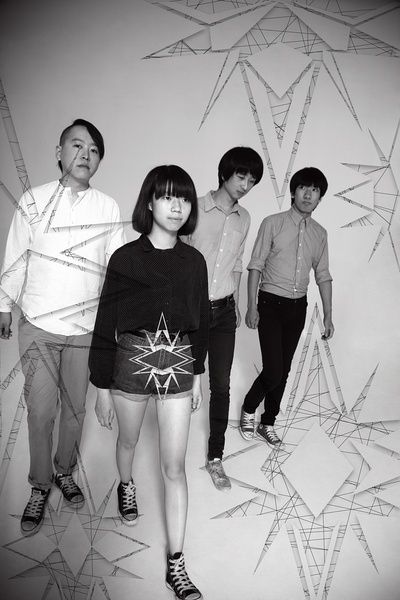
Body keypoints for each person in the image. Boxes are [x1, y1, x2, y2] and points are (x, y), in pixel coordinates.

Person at [0, 119, 125, 536]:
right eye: (77, 145)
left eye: (94, 150)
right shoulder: (33, 200)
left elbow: (116, 269)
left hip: (84, 329)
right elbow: (16, 256)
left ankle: (65, 471)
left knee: (74, 410)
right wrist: (3, 305)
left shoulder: (107, 207)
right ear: (59, 152)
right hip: (38, 324)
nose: (85, 155)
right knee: (40, 411)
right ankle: (39, 485)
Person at [89, 165, 208, 600]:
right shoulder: (125, 258)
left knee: (174, 466)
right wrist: (102, 386)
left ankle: (176, 564)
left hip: (179, 362)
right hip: (130, 362)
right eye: (167, 196)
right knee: (128, 440)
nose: (177, 206)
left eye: (185, 198)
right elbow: (105, 321)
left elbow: (202, 321)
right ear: (150, 202)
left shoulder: (194, 262)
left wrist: (197, 376)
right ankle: (127, 485)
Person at [185, 146, 264, 491]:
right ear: (224, 173)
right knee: (181, 382)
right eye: (240, 176)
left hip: (224, 312)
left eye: (252, 180)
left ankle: (215, 456)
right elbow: (176, 258)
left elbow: (237, 263)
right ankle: (169, 453)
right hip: (191, 312)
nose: (245, 185)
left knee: (220, 385)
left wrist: (239, 305)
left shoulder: (244, 218)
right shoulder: (194, 208)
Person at [240, 166, 334, 444]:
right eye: (303, 188)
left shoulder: (320, 233)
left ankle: (268, 422)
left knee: (284, 369)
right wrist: (252, 306)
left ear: (320, 198)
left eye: (315, 190)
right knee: (274, 370)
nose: (308, 194)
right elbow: (255, 266)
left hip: (297, 308)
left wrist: (328, 315)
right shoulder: (272, 223)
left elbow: (323, 275)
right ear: (293, 192)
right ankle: (249, 407)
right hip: (269, 304)